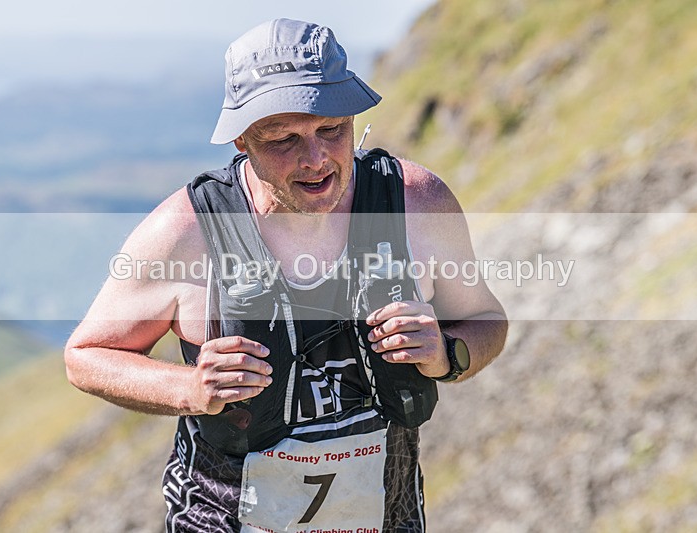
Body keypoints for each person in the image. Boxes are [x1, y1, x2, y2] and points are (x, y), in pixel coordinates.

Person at [65, 18, 507, 532]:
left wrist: (447, 354)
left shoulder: (415, 204)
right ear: (241, 140)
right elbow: (86, 356)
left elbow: (486, 320)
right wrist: (191, 388)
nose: (315, 159)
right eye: (283, 139)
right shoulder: (188, 232)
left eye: (332, 130)